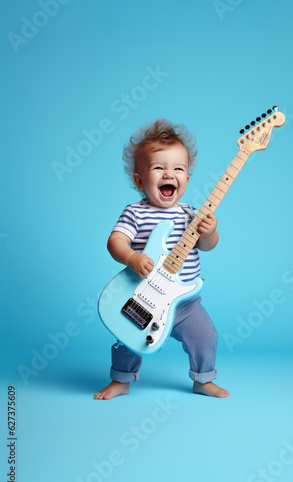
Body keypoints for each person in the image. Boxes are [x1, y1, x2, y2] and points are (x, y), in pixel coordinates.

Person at [94, 119, 230, 400]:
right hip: (142, 294)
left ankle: (202, 379)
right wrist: (132, 257)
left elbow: (208, 246)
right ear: (139, 180)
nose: (170, 173)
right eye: (159, 168)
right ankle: (121, 380)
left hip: (184, 301)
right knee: (129, 339)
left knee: (206, 336)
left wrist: (210, 232)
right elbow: (115, 241)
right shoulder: (135, 212)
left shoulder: (192, 214)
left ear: (187, 180)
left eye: (178, 168)